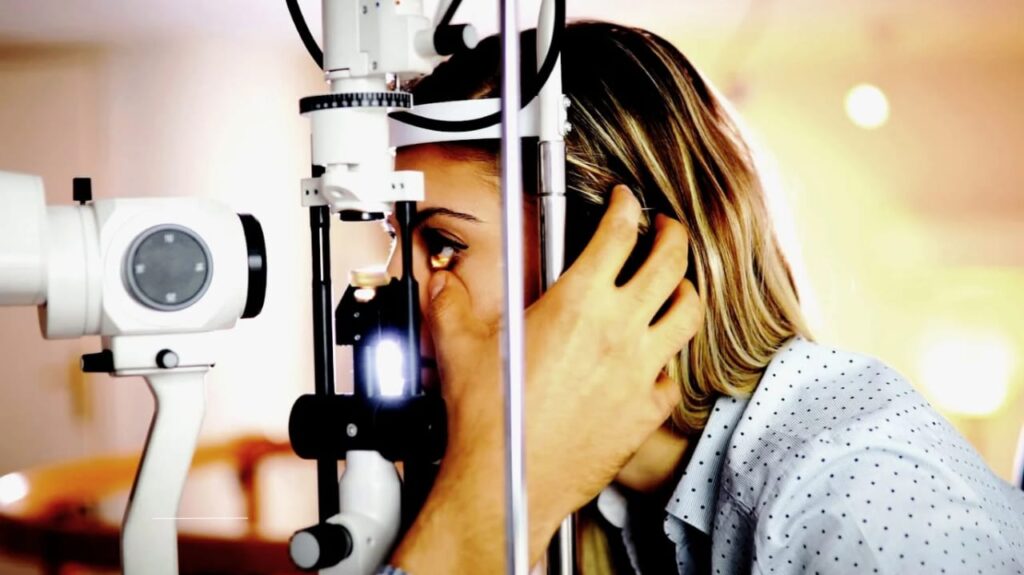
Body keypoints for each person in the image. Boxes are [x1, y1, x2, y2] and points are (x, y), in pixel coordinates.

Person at [376, 21, 1024, 574]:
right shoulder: (621, 510)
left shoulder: (855, 502)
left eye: (443, 245)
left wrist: (486, 497)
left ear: (617, 256)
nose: (399, 294)